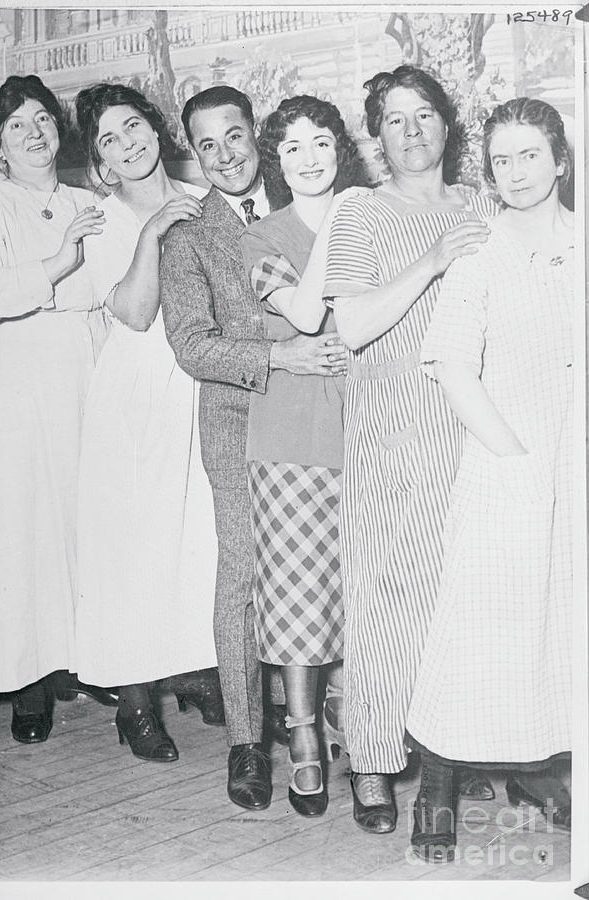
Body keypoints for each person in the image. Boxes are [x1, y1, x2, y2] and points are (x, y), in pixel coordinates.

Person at [159, 86, 345, 811]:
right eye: (206, 145)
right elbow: (192, 344)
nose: (224, 155)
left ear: (254, 137)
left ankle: (343, 726)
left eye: (234, 136)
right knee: (243, 574)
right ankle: (247, 742)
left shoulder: (306, 199)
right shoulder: (189, 236)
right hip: (240, 416)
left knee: (332, 570)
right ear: (194, 154)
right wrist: (281, 360)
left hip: (325, 415)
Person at [323, 65, 497, 833]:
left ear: (446, 125)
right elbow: (351, 326)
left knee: (463, 600)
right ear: (378, 136)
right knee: (387, 600)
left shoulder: (483, 204)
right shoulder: (363, 210)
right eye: (396, 120)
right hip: (395, 428)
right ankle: (370, 762)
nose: (413, 131)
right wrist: (431, 260)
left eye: (425, 115)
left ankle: (453, 753)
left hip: (476, 427)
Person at [405, 97, 573, 862]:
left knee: (557, 630)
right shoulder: (477, 248)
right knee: (474, 634)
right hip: (503, 462)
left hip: (575, 468)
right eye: (501, 160)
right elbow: (450, 367)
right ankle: (436, 784)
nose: (515, 172)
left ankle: (537, 763)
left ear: (561, 159)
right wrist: (515, 459)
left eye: (529, 155)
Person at [73, 83, 225, 762]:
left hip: (196, 387)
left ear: (156, 130)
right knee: (132, 553)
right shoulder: (103, 221)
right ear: (101, 159)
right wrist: (155, 229)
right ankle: (134, 704)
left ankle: (196, 669)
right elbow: (133, 314)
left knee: (198, 543)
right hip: (134, 397)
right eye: (109, 138)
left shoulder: (204, 197)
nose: (128, 143)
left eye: (133, 126)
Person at [0, 75, 112, 743]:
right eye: (17, 125)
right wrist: (56, 262)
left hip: (86, 360)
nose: (34, 131)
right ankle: (27, 681)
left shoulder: (90, 199)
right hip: (18, 373)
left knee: (82, 517)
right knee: (22, 524)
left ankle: (75, 661)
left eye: (42, 118)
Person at [239, 95, 362, 816]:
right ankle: (306, 738)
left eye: (321, 143)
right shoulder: (263, 237)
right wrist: (341, 220)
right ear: (276, 161)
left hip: (369, 430)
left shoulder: (374, 216)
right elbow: (308, 315)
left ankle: (362, 730)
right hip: (288, 439)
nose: (309, 158)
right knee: (296, 600)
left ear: (339, 148)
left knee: (360, 593)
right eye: (292, 148)